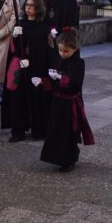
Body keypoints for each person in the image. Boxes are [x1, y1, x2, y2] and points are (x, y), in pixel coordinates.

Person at [40, 29, 94, 172]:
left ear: (74, 49)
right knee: (55, 129)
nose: (63, 54)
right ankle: (54, 157)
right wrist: (42, 81)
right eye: (60, 50)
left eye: (66, 51)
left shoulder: (78, 63)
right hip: (57, 101)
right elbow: (52, 81)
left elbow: (75, 82)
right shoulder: (57, 59)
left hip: (70, 103)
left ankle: (68, 160)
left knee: (68, 131)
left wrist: (60, 77)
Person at [2, 0, 54, 142]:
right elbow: (14, 49)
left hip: (37, 68)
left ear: (38, 8)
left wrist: (32, 61)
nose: (28, 8)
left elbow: (46, 50)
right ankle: (18, 130)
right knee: (19, 99)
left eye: (32, 5)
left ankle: (39, 129)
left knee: (36, 99)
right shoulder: (21, 24)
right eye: (27, 5)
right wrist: (15, 36)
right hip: (21, 68)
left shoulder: (44, 27)